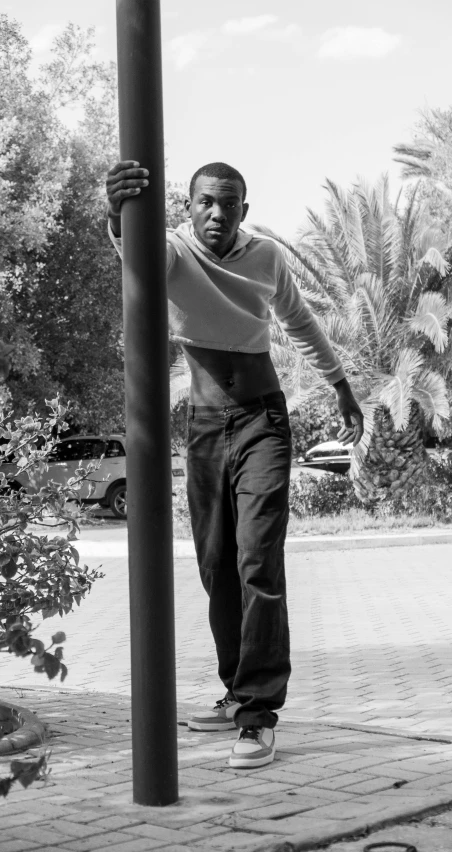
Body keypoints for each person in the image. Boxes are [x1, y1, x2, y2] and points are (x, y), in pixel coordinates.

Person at [106, 160, 364, 769]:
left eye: (229, 204)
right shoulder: (171, 250)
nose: (217, 214)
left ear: (244, 210)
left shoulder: (267, 257)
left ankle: (257, 714)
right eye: (205, 203)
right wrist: (116, 214)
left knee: (257, 561)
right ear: (188, 206)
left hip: (262, 421)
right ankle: (234, 691)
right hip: (202, 427)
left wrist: (342, 386)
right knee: (216, 562)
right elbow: (137, 262)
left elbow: (300, 321)